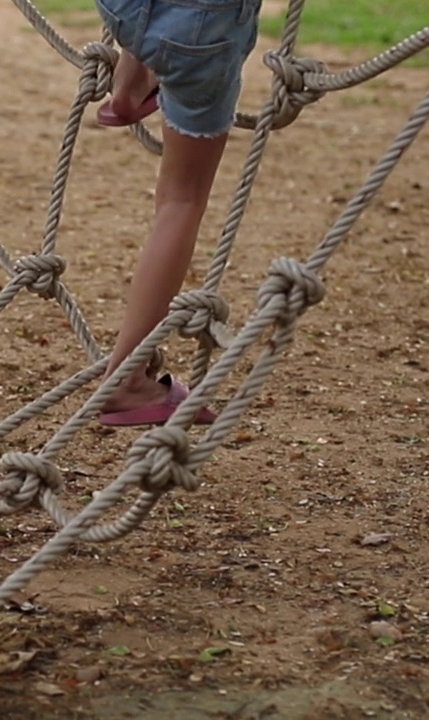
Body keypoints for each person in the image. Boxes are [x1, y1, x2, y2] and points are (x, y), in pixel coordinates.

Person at [92, 0, 261, 427]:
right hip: (200, 35)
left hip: (123, 9)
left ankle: (129, 89)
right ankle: (128, 380)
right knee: (182, 199)